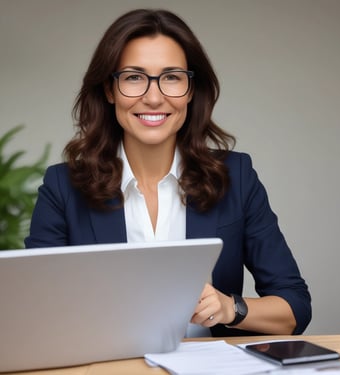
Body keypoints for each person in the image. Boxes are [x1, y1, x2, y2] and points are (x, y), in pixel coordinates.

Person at [25, 8, 311, 337]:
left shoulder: (237, 176)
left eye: (171, 77)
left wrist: (229, 307)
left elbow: (295, 308)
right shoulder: (63, 187)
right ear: (109, 90)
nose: (153, 97)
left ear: (190, 90)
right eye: (133, 77)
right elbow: (37, 312)